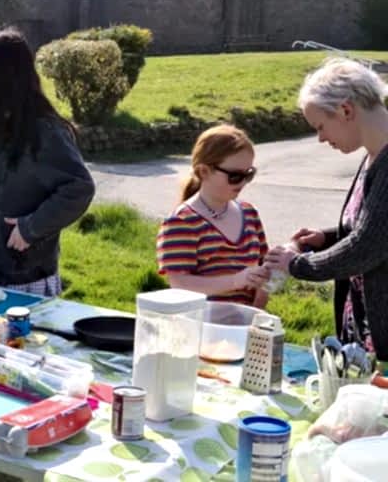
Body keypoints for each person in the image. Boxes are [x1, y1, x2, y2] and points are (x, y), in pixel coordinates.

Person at [0, 29, 94, 295]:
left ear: (5, 77)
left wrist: (31, 228)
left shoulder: (45, 131)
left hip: (19, 274)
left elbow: (79, 188)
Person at [265, 58, 388, 360]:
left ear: (346, 110)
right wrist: (328, 237)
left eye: (320, 126)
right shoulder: (374, 155)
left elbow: (366, 248)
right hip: (365, 333)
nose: (320, 138)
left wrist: (297, 264)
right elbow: (373, 227)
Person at [156, 124, 270, 307]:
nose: (243, 182)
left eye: (248, 174)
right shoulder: (182, 222)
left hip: (244, 327)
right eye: (234, 176)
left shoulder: (249, 213)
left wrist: (267, 283)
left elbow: (264, 268)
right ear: (204, 171)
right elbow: (179, 284)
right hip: (202, 327)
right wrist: (235, 281)